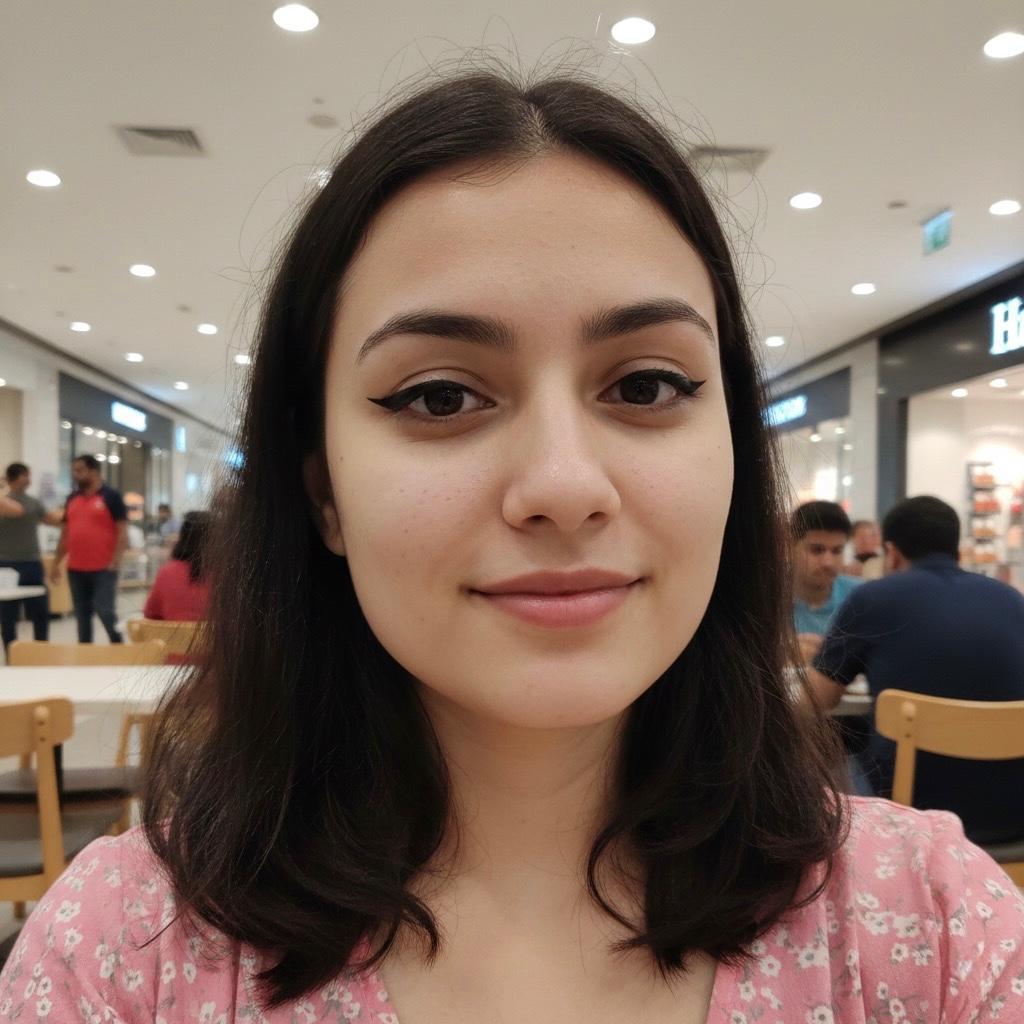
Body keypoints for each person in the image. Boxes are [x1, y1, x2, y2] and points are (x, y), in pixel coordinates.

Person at [2, 67, 1021, 1023]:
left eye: (647, 386)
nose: (564, 486)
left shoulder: (931, 930)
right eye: (440, 395)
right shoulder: (119, 956)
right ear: (323, 496)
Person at [807, 495, 1024, 841]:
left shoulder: (872, 597)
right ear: (957, 549)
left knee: (830, 759)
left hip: (915, 818)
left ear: (890, 553)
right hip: (1013, 816)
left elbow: (815, 700)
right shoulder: (1012, 599)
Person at [49, 454, 128, 643]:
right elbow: (66, 534)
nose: (75, 475)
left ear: (94, 471)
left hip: (103, 568)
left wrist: (116, 559)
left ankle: (118, 646)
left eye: (79, 470)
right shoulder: (72, 498)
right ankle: (85, 653)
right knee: (82, 616)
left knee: (105, 610)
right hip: (76, 568)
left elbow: (122, 532)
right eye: (74, 471)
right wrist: (56, 563)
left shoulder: (111, 496)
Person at [0, 462, 62, 653]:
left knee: (40, 610)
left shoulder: (34, 502)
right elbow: (17, 510)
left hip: (32, 563)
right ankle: (12, 653)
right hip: (6, 565)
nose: (30, 479)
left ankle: (41, 651)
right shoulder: (4, 501)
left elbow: (51, 520)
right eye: (27, 475)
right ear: (17, 477)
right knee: (8, 614)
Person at [790, 500, 861, 663]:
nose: (828, 562)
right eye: (817, 550)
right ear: (789, 546)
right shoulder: (762, 598)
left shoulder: (861, 597)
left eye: (837, 551)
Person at [142, 510, 211, 621]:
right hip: (213, 638)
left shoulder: (167, 572)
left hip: (173, 638)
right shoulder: (225, 576)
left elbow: (150, 614)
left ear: (182, 536)